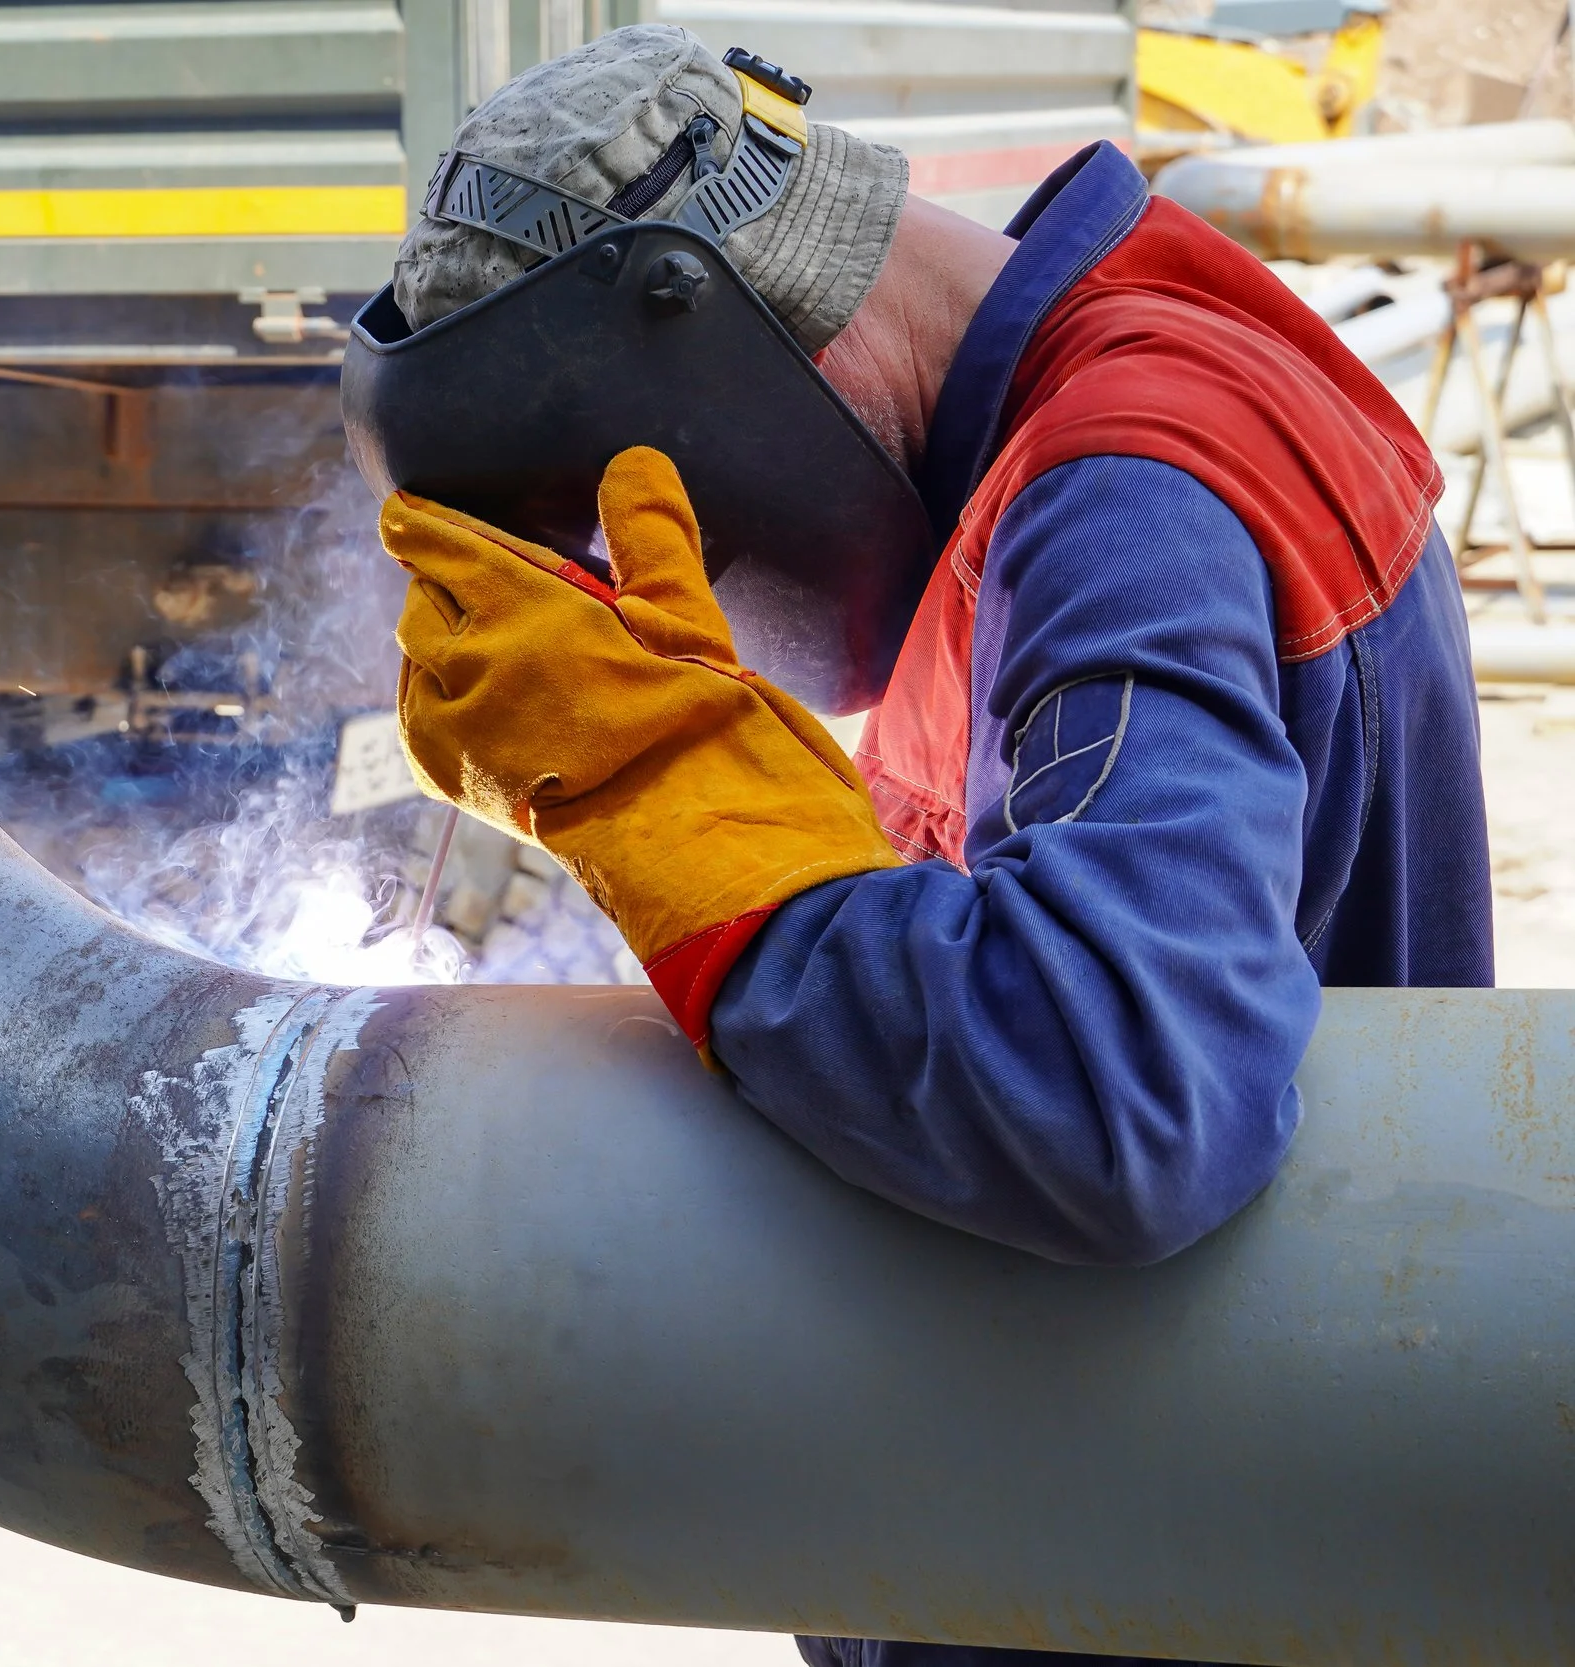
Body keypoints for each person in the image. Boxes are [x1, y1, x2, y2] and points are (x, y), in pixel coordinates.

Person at [365, 25, 1491, 1667]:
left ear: (707, 357)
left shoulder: (1121, 491)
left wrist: (668, 792)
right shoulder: (1135, 367)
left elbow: (1120, 1088)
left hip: (1166, 1568)